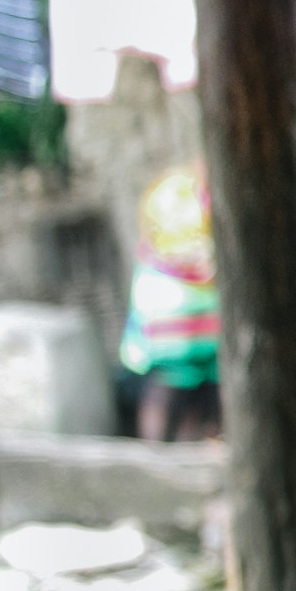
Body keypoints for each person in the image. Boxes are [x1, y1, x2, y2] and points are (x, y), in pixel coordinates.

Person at [118, 163, 220, 442]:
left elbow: (149, 242)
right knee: (205, 397)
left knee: (166, 388)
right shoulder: (203, 194)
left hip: (164, 312)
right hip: (203, 316)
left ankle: (156, 460)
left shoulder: (166, 192)